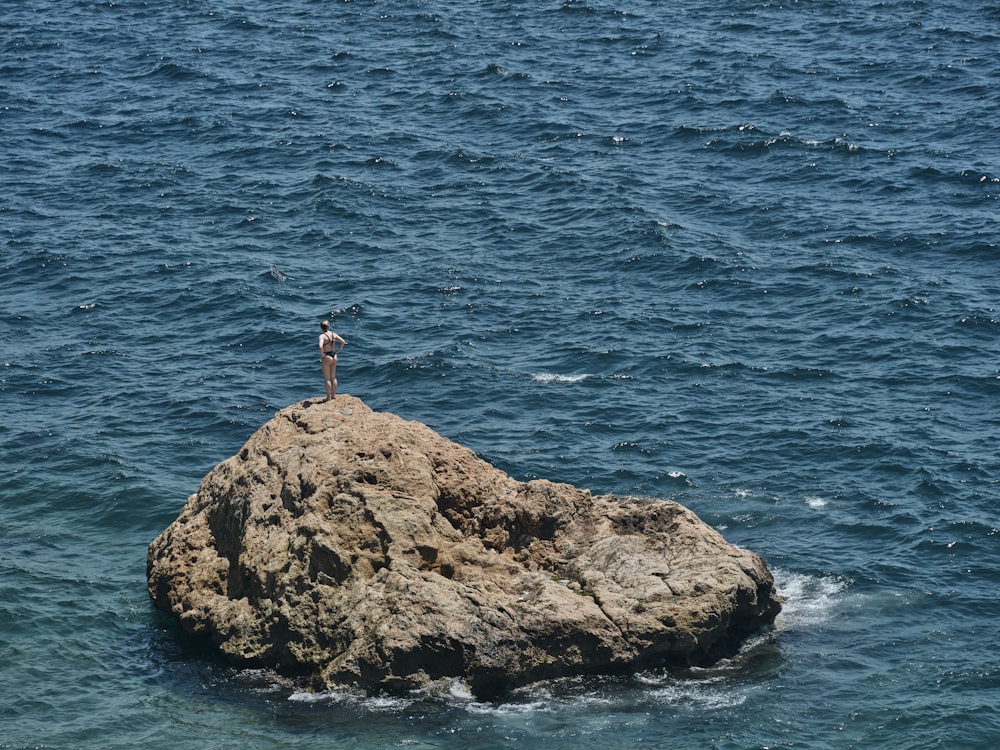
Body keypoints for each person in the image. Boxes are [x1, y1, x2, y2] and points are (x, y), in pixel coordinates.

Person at [318, 320, 346, 401]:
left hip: (327, 356)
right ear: (328, 326)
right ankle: (333, 395)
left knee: (327, 378)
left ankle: (328, 397)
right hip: (334, 355)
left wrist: (323, 355)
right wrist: (338, 351)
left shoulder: (322, 336)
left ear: (321, 328)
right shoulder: (334, 334)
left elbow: (320, 346)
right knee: (333, 377)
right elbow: (343, 342)